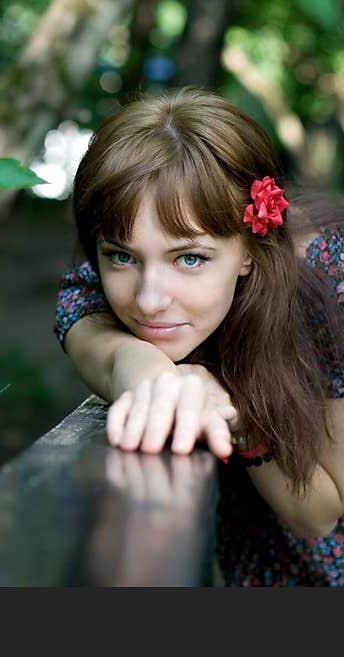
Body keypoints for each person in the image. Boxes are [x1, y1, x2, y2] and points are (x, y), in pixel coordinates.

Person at [54, 87, 344, 586]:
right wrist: (145, 370)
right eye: (122, 256)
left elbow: (319, 514)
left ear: (251, 250)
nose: (149, 299)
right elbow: (83, 321)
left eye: (189, 258)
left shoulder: (330, 286)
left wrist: (233, 411)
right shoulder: (108, 272)